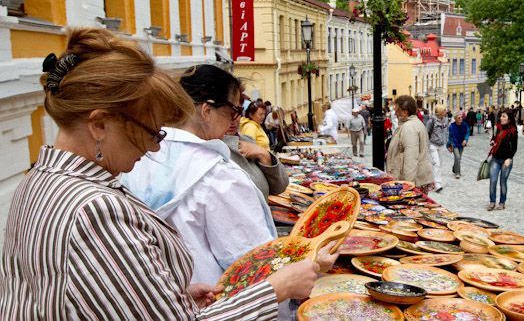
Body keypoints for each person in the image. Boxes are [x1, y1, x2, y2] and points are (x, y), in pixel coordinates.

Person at [0, 28, 332, 319]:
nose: (155, 148)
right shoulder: (94, 209)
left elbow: (70, 296)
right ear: (99, 124)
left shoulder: (36, 181)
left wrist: (166, 299)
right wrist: (276, 288)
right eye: (150, 131)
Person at [123, 64, 281, 285]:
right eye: (234, 111)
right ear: (207, 111)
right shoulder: (218, 177)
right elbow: (253, 266)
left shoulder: (138, 159)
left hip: (163, 296)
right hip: (211, 302)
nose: (235, 121)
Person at [385, 95, 435, 191]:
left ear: (405, 112)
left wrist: (408, 185)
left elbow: (411, 157)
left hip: (413, 181)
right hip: (416, 179)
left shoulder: (409, 127)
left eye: (397, 111)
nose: (395, 113)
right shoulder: (413, 123)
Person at [487, 110, 518, 211]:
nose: (501, 118)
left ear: (509, 119)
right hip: (495, 158)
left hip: (506, 160)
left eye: (503, 116)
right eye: (501, 116)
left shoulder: (513, 131)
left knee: (503, 182)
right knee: (493, 180)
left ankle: (502, 202)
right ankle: (492, 202)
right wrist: (492, 142)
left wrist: (509, 158)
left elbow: (514, 147)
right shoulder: (497, 127)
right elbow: (494, 138)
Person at [427, 105, 450, 192]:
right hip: (433, 144)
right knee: (436, 163)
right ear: (440, 111)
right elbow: (427, 132)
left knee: (440, 164)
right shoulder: (432, 121)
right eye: (444, 110)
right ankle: (437, 184)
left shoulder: (446, 120)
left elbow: (447, 131)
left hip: (442, 145)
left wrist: (447, 141)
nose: (446, 111)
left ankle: (436, 181)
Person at [447, 111, 470, 179]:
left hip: (462, 144)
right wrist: (448, 146)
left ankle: (455, 168)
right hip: (454, 144)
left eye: (461, 117)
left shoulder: (465, 125)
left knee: (458, 158)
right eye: (459, 118)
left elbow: (467, 132)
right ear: (455, 119)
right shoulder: (452, 126)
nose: (460, 119)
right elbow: (450, 137)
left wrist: (465, 139)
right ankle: (457, 173)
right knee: (457, 157)